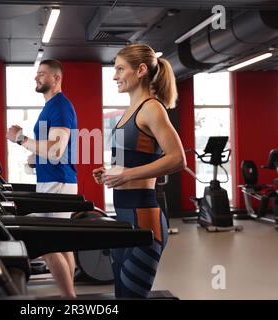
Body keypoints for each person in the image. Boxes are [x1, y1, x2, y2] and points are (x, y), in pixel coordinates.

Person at [93, 44, 186, 298]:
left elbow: (178, 159)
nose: (115, 76)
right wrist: (110, 172)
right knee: (122, 294)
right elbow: (131, 162)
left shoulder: (152, 108)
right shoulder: (127, 113)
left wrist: (126, 175)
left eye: (120, 69)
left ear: (141, 70)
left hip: (144, 221)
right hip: (123, 220)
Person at [6, 59, 78, 298]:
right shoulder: (50, 107)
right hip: (54, 179)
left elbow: (57, 150)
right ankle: (71, 297)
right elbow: (52, 150)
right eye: (37, 74)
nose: (37, 77)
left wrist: (21, 139)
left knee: (46, 243)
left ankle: (70, 300)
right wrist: (34, 158)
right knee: (60, 243)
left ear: (56, 79)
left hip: (58, 181)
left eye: (43, 74)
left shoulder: (60, 106)